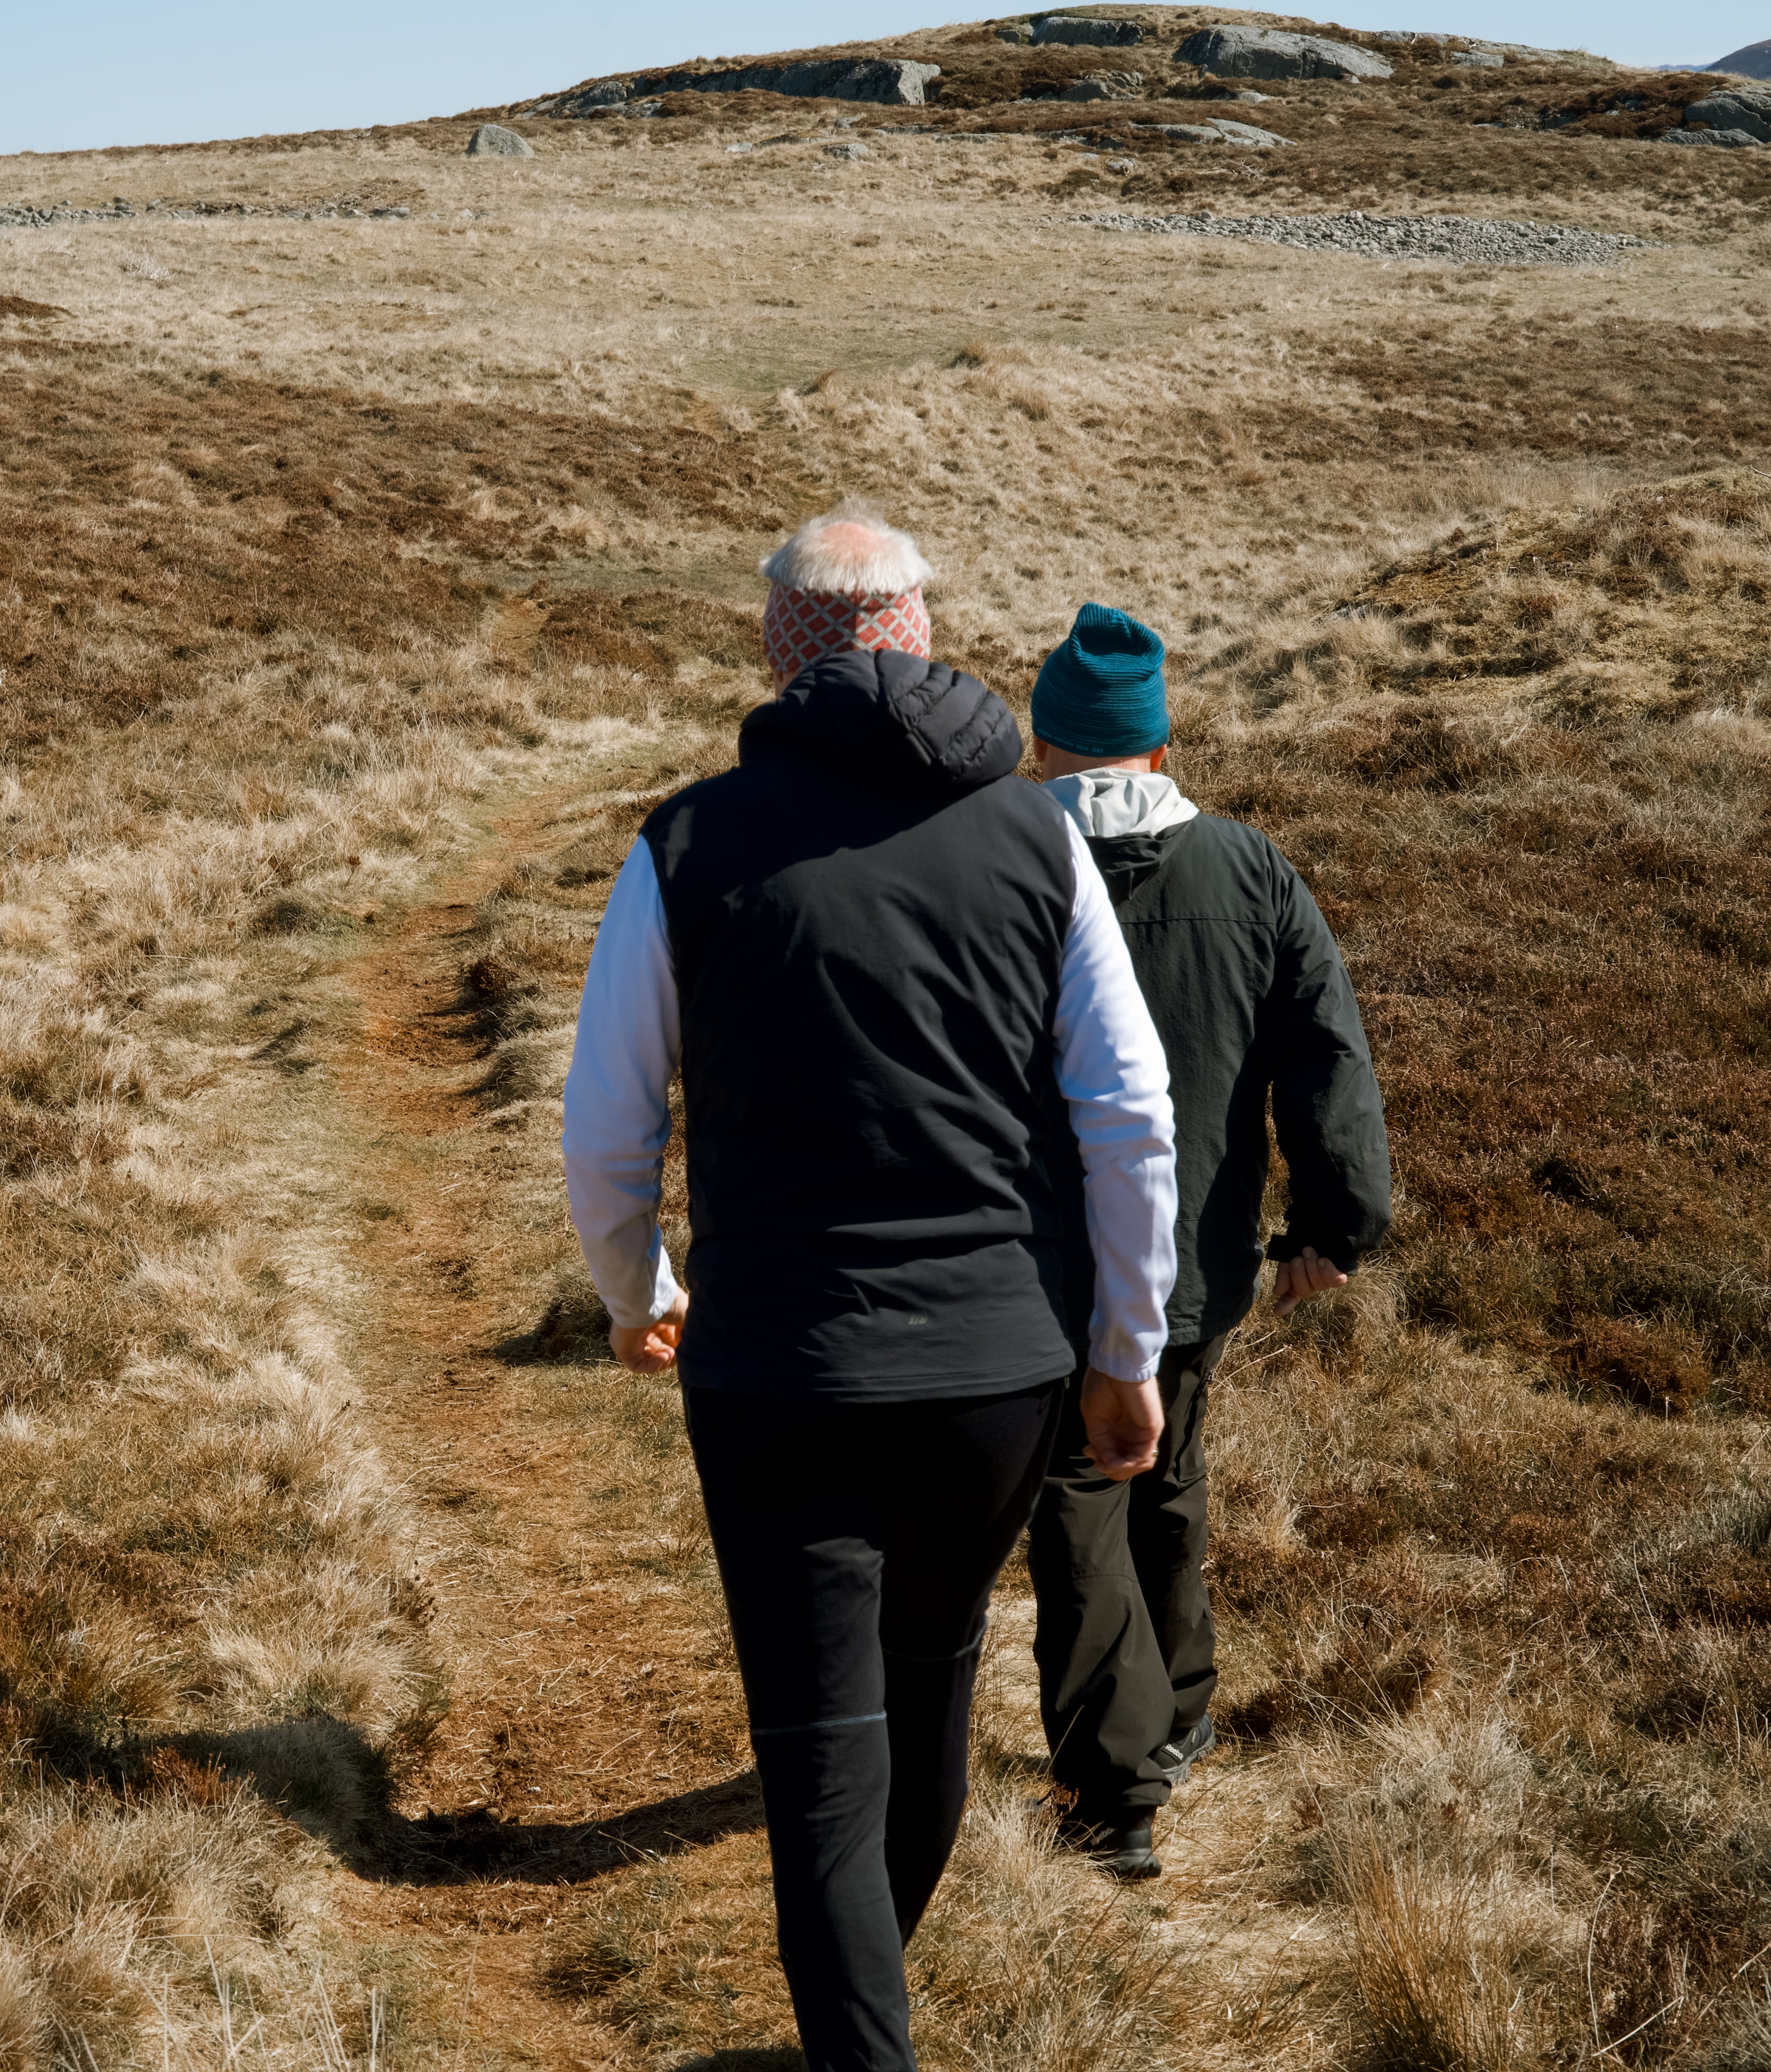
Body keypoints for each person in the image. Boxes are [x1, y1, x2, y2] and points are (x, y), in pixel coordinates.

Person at [560, 510, 1178, 2072]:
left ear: (779, 647)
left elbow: (606, 1122)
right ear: (918, 631)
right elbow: (1130, 1113)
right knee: (933, 1693)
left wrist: (638, 1291)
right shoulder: (1042, 838)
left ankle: (859, 2041)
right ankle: (865, 2022)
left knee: (823, 1762)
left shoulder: (687, 842)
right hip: (992, 1381)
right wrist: (1126, 1350)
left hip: (775, 1377)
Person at [1018, 602, 1393, 1880]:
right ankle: (1176, 1709)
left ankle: (1114, 1791)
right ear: (1162, 740)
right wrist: (1334, 1228)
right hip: (1199, 1261)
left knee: (1078, 1504)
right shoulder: (1254, 869)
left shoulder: (1000, 857)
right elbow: (1328, 1058)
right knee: (1167, 1468)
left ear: (1046, 740)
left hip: (1034, 1267)